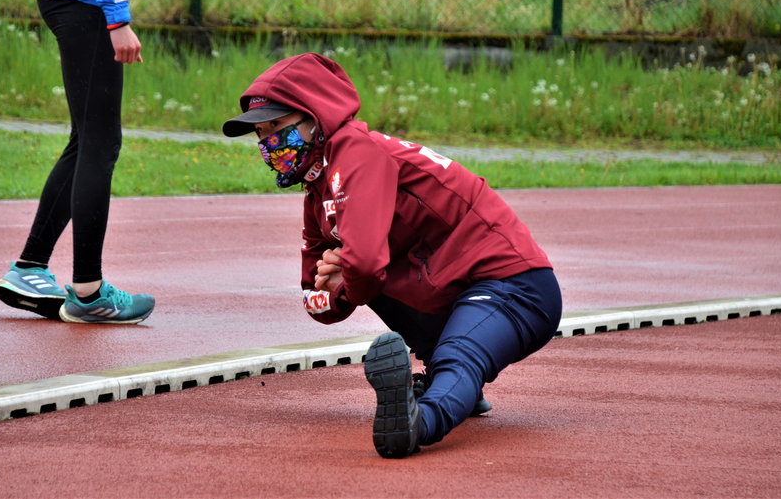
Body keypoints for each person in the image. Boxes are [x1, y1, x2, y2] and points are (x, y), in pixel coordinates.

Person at [222, 53, 563, 458]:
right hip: (449, 291)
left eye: (277, 126)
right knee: (368, 281)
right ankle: (448, 383)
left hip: (513, 285)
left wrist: (348, 274)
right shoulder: (318, 188)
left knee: (455, 353)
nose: (268, 143)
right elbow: (315, 302)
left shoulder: (357, 153)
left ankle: (422, 422)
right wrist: (339, 289)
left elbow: (363, 266)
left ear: (316, 117)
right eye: (260, 133)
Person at [0, 0, 155, 324]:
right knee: (102, 144)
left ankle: (29, 267)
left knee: (86, 140)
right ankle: (88, 292)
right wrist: (117, 18)